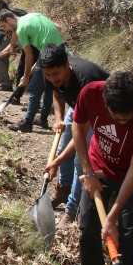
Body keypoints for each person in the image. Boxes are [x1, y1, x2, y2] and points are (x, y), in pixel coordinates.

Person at [44, 71, 133, 265]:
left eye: (127, 119)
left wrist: (112, 217)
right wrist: (87, 172)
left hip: (130, 179)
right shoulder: (91, 93)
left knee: (127, 236)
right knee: (87, 226)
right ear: (105, 103)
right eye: (117, 118)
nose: (122, 123)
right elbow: (78, 129)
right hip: (97, 168)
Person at [37, 44, 109, 218]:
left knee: (80, 160)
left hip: (102, 112)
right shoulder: (50, 72)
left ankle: (72, 208)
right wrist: (58, 118)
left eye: (56, 74)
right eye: (48, 75)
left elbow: (81, 134)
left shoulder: (87, 82)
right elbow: (57, 93)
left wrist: (56, 162)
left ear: (66, 65)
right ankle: (64, 189)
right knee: (62, 147)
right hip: (77, 106)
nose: (52, 78)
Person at [0, 10, 61, 132]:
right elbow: (57, 27)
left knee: (35, 87)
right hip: (59, 48)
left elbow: (29, 56)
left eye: (5, 26)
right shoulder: (32, 15)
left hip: (47, 52)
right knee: (48, 86)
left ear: (9, 20)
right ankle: (43, 119)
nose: (7, 30)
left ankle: (27, 123)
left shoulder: (21, 28)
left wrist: (26, 77)